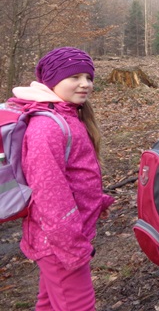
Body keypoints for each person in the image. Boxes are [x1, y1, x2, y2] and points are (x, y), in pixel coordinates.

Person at [9, 47, 114, 310]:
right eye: (74, 77)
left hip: (60, 238)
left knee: (48, 302)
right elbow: (49, 195)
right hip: (59, 243)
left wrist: (96, 201)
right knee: (78, 305)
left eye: (88, 77)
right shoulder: (47, 127)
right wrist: (72, 247)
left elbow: (75, 174)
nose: (85, 84)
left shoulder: (67, 115)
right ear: (53, 80)